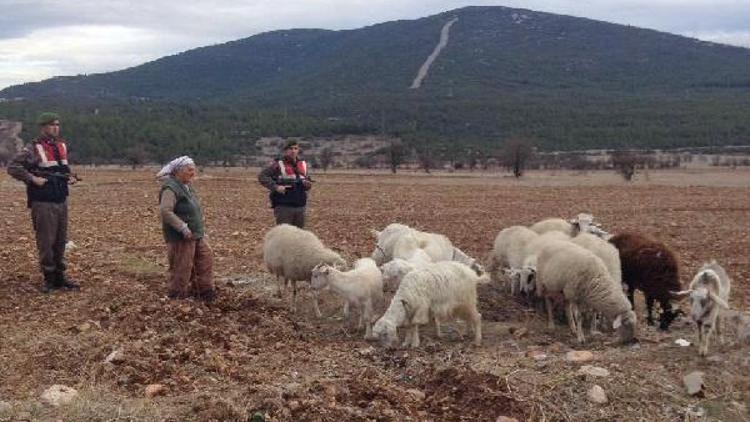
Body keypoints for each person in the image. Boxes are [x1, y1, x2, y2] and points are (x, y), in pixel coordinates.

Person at [7, 112, 80, 293]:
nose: (56, 127)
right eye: (51, 124)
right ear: (43, 127)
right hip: (43, 201)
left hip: (61, 199)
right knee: (46, 242)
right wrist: (32, 179)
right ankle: (49, 278)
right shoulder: (32, 148)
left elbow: (62, 168)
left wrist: (69, 177)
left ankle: (60, 278)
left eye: (57, 124)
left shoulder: (61, 145)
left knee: (60, 241)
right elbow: (13, 167)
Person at [157, 156, 216, 301]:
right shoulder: (170, 188)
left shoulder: (187, 186)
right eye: (189, 170)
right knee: (182, 266)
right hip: (181, 236)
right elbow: (165, 211)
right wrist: (182, 227)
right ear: (178, 171)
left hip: (196, 233)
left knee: (205, 259)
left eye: (193, 170)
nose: (193, 173)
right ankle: (177, 295)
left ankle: (204, 290)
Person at [258, 140, 312, 228]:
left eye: (295, 148)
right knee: (284, 236)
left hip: (300, 206)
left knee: (298, 236)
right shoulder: (278, 164)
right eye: (290, 148)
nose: (293, 151)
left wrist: (308, 185)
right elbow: (262, 176)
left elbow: (306, 181)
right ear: (285, 150)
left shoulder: (302, 164)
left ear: (298, 150)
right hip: (283, 206)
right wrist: (276, 187)